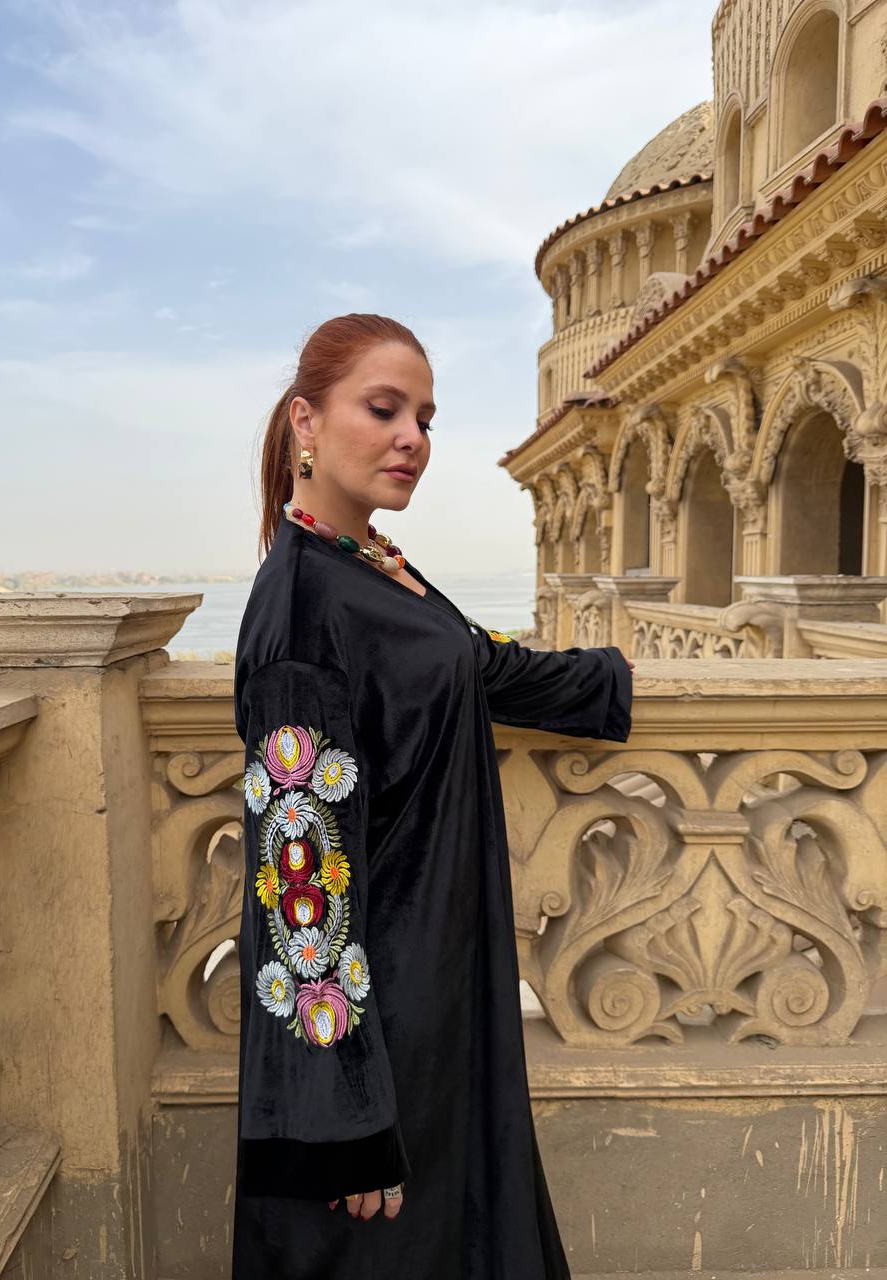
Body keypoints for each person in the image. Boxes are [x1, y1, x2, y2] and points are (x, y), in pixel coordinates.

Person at [231, 313, 634, 1279]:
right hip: (381, 1039)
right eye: (383, 410)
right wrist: (346, 1126)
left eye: (425, 417)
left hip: (442, 993)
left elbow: (471, 664)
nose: (412, 437)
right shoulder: (301, 610)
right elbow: (299, 895)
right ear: (306, 422)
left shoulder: (370, 563)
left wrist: (611, 684)